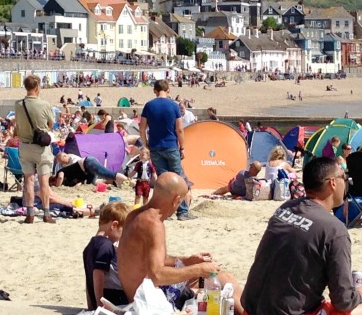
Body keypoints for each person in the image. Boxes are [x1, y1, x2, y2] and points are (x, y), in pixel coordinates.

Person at [241, 157, 362, 315]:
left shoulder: (285, 209)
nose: (347, 183)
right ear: (332, 183)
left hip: (251, 309)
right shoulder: (334, 230)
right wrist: (360, 294)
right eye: (344, 177)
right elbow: (343, 301)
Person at [118, 173, 243, 311]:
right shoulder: (153, 225)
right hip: (150, 301)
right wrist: (199, 269)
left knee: (221, 278)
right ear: (176, 200)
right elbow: (157, 275)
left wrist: (187, 260)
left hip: (141, 293)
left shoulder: (135, 215)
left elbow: (155, 259)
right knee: (224, 281)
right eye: (182, 201)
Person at [141, 80, 194, 220]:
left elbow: (142, 128)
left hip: (155, 146)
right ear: (168, 90)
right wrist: (182, 147)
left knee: (163, 180)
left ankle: (165, 212)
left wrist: (146, 143)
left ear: (154, 90)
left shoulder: (149, 106)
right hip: (171, 145)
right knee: (178, 179)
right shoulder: (174, 106)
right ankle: (182, 212)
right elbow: (180, 129)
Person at [14, 74, 56, 224]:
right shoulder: (44, 104)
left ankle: (30, 213)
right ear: (37, 87)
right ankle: (46, 213)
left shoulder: (18, 104)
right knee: (44, 181)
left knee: (28, 180)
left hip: (25, 145)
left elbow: (17, 125)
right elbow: (51, 125)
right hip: (41, 147)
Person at [83, 201, 130, 310]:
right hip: (111, 298)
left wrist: (92, 304)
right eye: (124, 231)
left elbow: (88, 278)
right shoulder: (106, 245)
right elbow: (97, 274)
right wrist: (100, 304)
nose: (123, 236)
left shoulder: (90, 246)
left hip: (97, 298)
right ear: (114, 225)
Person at [53, 152, 130, 188]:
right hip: (87, 168)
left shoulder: (72, 160)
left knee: (107, 174)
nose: (62, 163)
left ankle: (129, 182)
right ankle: (112, 184)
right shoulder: (69, 159)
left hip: (88, 164)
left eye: (62, 161)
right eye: (61, 162)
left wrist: (57, 186)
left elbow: (60, 177)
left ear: (65, 156)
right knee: (91, 184)